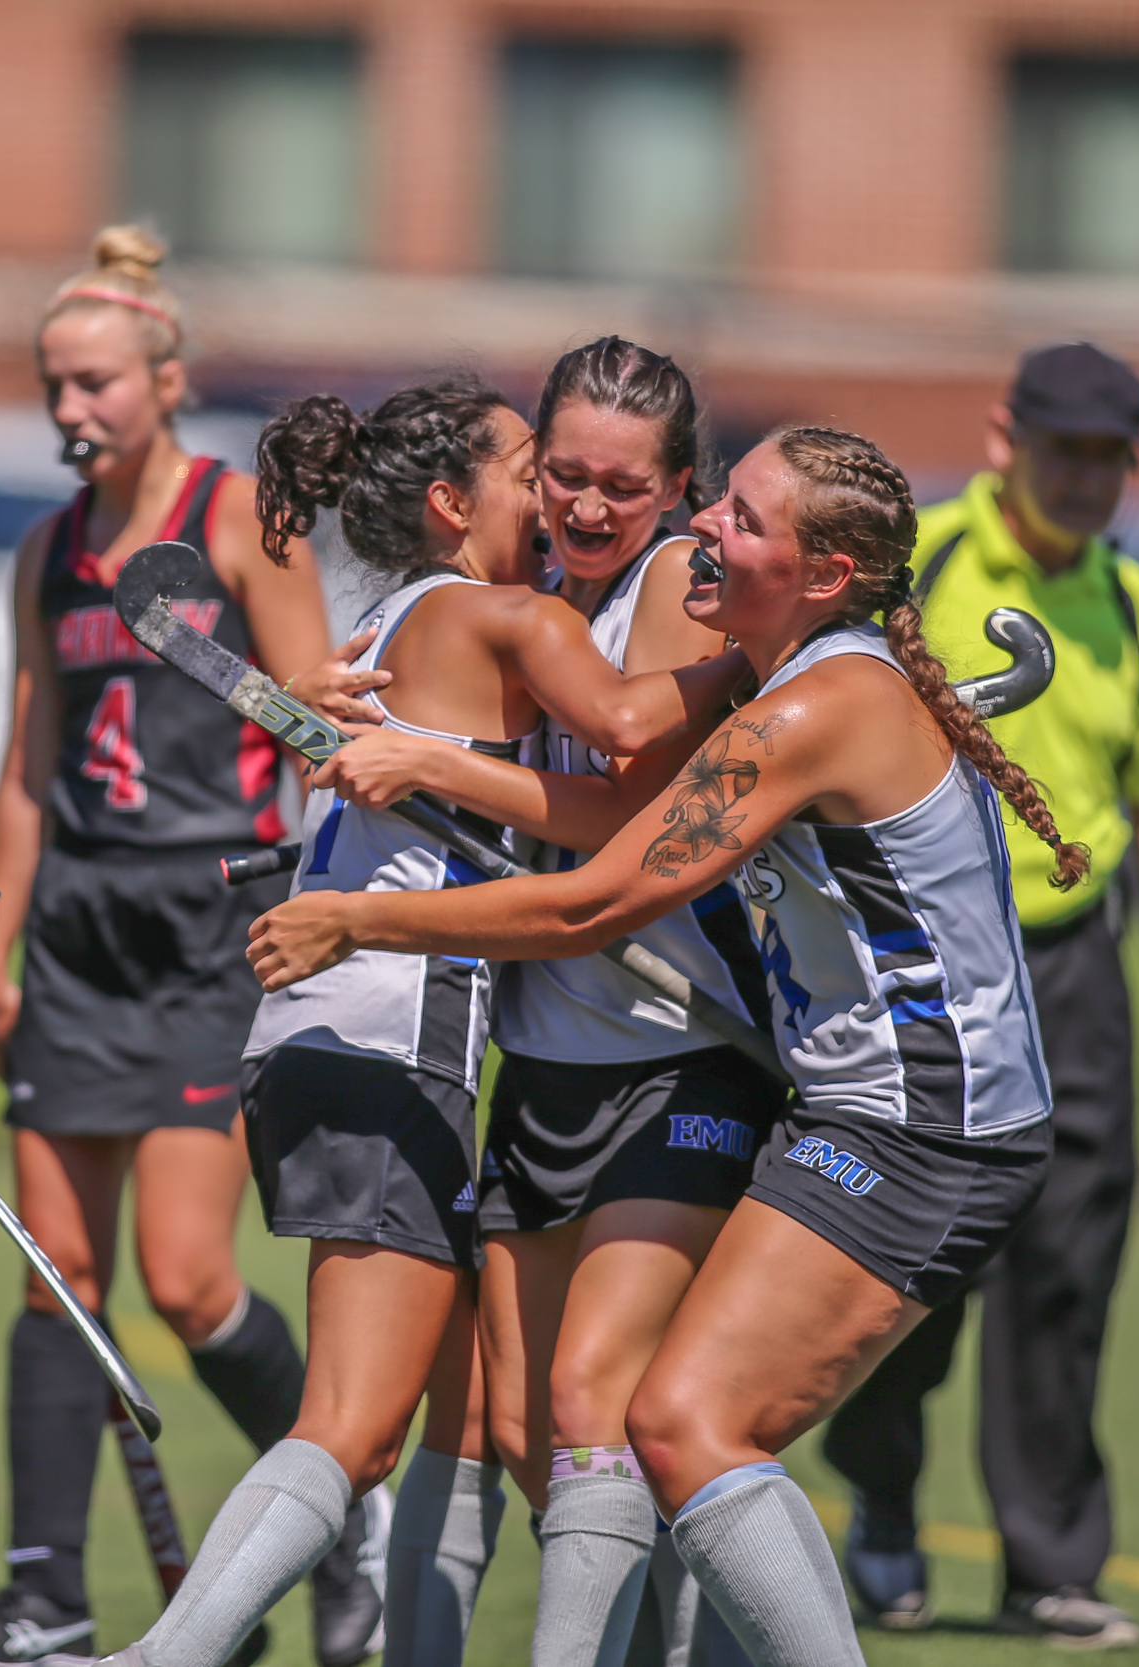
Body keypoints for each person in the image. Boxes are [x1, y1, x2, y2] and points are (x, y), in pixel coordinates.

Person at [249, 425, 1085, 1667]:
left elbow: (592, 899)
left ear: (822, 576)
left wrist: (362, 916)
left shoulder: (812, 705)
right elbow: (619, 779)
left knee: (686, 1422)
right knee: (676, 1430)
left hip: (929, 1129)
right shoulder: (787, 685)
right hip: (853, 1113)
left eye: (741, 519)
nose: (704, 529)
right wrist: (395, 729)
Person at [38, 372, 751, 1667]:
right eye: (533, 464)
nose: (552, 492)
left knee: (464, 1413)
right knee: (356, 1422)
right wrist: (771, 652)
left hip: (330, 1039)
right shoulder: (509, 614)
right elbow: (633, 736)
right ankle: (168, 1653)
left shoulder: (391, 616)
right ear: (449, 498)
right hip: (387, 1036)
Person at [0, 227, 386, 1667]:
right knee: (56, 1270)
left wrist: (326, 894)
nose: (71, 411)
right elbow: (28, 756)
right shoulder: (48, 551)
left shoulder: (239, 513)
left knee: (188, 1277)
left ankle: (341, 1503)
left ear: (166, 379)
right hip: (76, 926)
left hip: (211, 927)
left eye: (95, 385)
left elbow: (315, 716)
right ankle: (45, 1593)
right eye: (54, 386)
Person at [299, 339, 783, 1667]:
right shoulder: (527, 591)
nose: (582, 505)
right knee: (526, 1428)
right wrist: (342, 703)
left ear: (680, 487)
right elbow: (398, 682)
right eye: (560, 473)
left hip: (688, 1046)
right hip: (546, 1052)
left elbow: (629, 786)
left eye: (621, 487)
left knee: (594, 1405)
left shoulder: (683, 591)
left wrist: (432, 763)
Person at [819, 340, 1139, 1646]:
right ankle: (881, 1500)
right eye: (1067, 450)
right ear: (1005, 437)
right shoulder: (913, 568)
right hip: (922, 964)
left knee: (1066, 1270)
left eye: (1111, 454)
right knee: (917, 1267)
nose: (1090, 476)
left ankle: (1050, 1559)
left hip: (1074, 967)